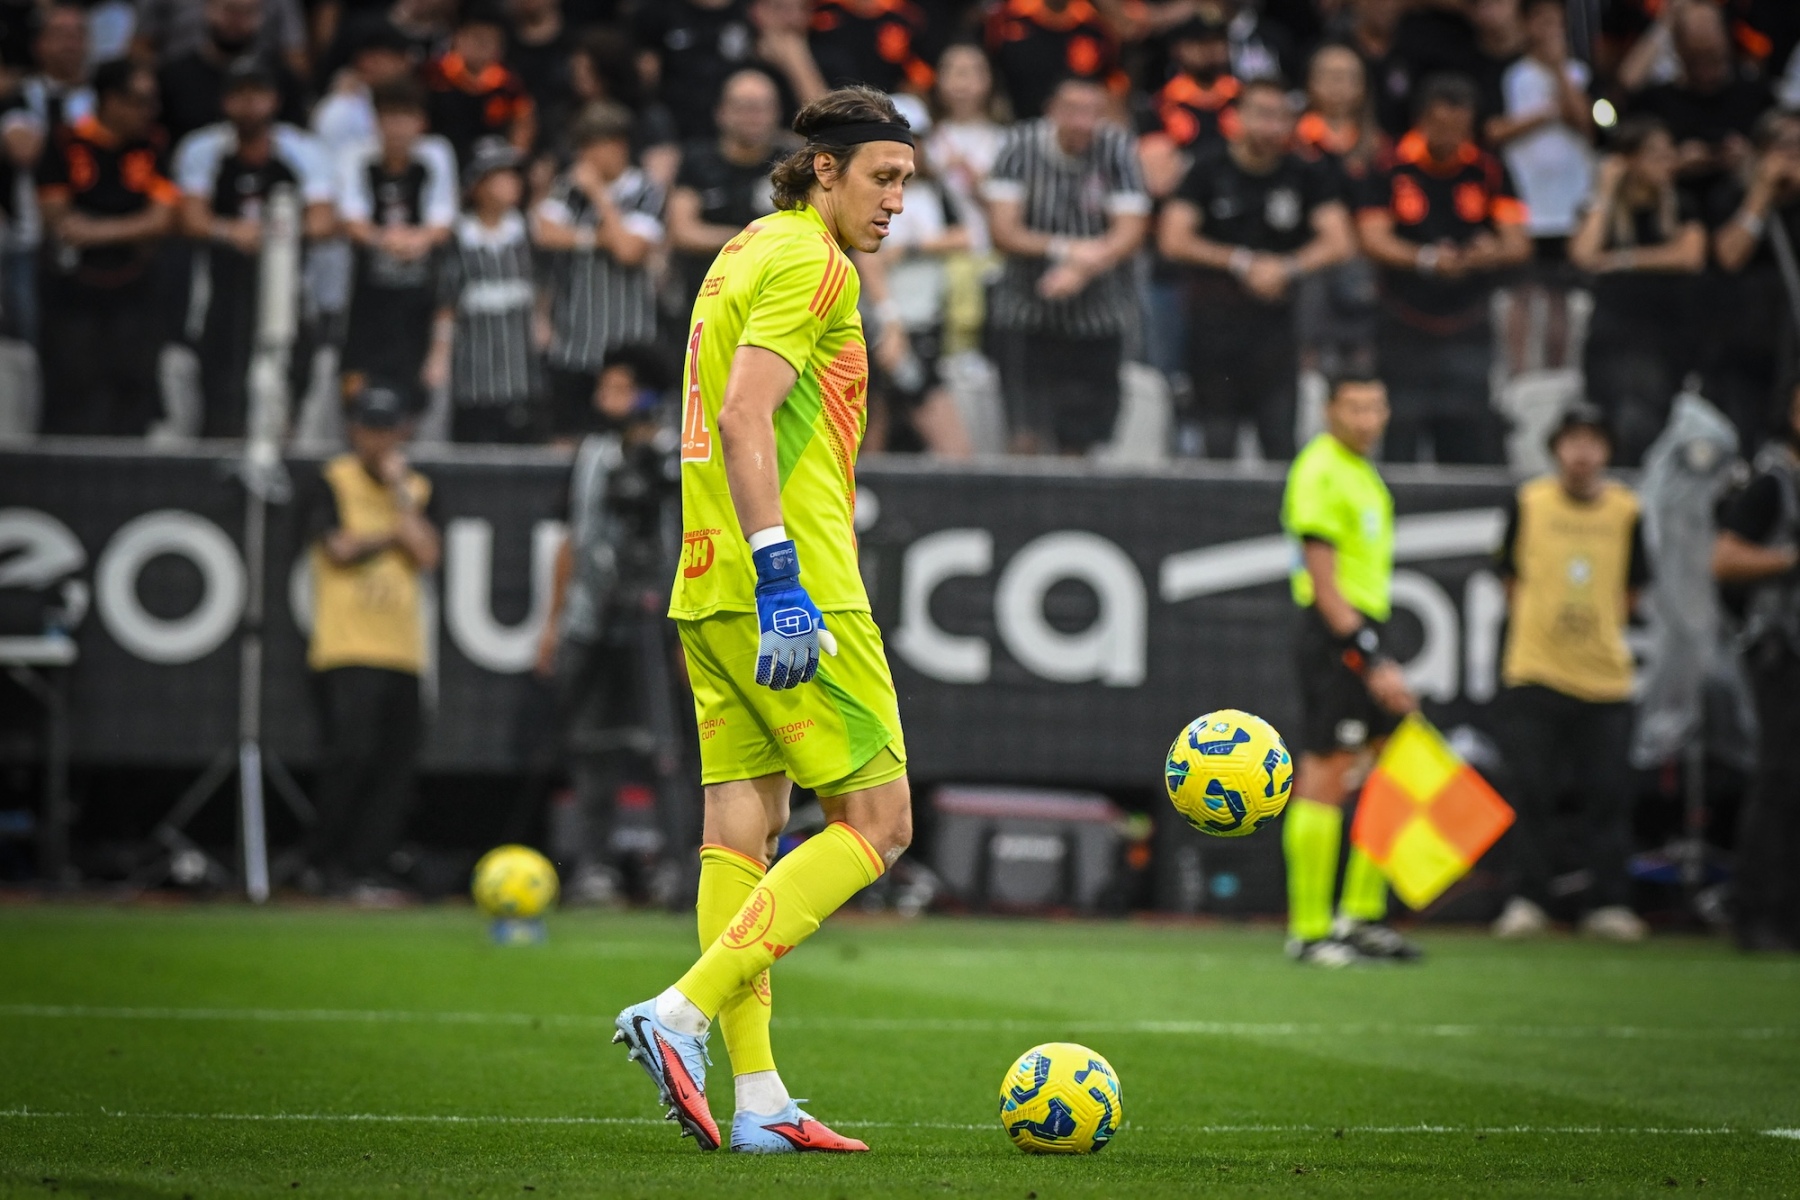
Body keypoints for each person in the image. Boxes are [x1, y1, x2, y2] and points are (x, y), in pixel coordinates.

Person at [611, 85, 915, 1155]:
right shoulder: (814, 263)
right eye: (882, 177)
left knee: (741, 829)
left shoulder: (741, 249)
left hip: (707, 578)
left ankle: (760, 1100)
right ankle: (681, 1012)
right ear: (825, 169)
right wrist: (784, 574)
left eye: (907, 183)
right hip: (792, 583)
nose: (896, 202)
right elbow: (745, 415)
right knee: (880, 824)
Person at [1490, 403, 1652, 942]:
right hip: (1535, 670)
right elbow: (1508, 577)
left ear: (1607, 451)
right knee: (1532, 792)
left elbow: (1633, 589)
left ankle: (1608, 903)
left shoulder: (1626, 510)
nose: (1582, 454)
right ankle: (1528, 900)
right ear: (1556, 449)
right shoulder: (1529, 503)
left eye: (1593, 442)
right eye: (1573, 441)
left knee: (1608, 796)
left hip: (1606, 678)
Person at [1280, 374, 1420, 967]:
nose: (1367, 419)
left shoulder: (1364, 473)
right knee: (1327, 771)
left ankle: (1360, 915)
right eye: (1354, 407)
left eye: (1375, 406)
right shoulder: (1320, 470)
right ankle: (1309, 931)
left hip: (1364, 627)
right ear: (1329, 410)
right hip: (1335, 633)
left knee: (1391, 763)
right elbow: (1324, 584)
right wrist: (1369, 656)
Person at [535, 346, 681, 906]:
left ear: (646, 395)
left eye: (617, 388)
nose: (603, 399)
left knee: (670, 747)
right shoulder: (592, 455)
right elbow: (572, 539)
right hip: (592, 616)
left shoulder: (679, 458)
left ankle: (679, 866)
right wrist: (554, 624)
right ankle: (591, 864)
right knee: (588, 743)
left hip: (661, 620)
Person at [1157, 76, 1355, 461]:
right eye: (1263, 115)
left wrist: (1286, 267)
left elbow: (1340, 240)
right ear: (1238, 117)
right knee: (1216, 443)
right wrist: (1241, 262)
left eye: (1282, 117)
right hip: (1214, 327)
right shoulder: (1208, 167)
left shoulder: (1304, 172)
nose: (1272, 127)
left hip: (1277, 328)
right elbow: (1173, 239)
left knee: (1279, 440)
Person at [302, 380, 441, 900]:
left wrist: (401, 495)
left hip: (402, 650)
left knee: (395, 768)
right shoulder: (331, 482)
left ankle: (370, 866)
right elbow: (338, 549)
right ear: (353, 431)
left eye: (387, 430)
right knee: (350, 758)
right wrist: (391, 535)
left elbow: (427, 554)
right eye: (369, 429)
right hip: (346, 646)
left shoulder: (417, 489)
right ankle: (327, 862)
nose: (378, 441)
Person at [1355, 73, 1530, 464]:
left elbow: (1518, 243)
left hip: (1468, 322)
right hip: (1403, 321)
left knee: (1467, 431)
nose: (1451, 136)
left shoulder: (1487, 169)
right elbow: (1372, 238)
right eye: (1441, 125)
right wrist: (1426, 259)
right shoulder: (1389, 166)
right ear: (1422, 120)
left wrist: (1489, 253)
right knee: (1401, 429)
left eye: (1460, 127)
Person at [985, 76, 1149, 455]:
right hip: (1026, 310)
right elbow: (1003, 230)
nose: (1083, 122)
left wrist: (1083, 268)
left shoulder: (1117, 148)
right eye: (1073, 111)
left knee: (1081, 440)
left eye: (1093, 112)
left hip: (1097, 317)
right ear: (1052, 112)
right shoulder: (1018, 146)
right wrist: (1065, 250)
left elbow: (1131, 230)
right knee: (1024, 434)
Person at [174, 60, 336, 438]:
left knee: (286, 378)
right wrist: (231, 231)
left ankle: (282, 449)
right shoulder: (204, 149)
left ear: (274, 100)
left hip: (288, 286)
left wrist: (275, 234)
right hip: (222, 286)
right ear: (225, 101)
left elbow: (324, 221)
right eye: (240, 95)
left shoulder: (301, 150)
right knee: (221, 383)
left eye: (258, 94)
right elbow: (191, 219)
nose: (249, 104)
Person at [35, 58, 178, 437]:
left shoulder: (153, 145)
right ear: (111, 100)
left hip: (134, 289)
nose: (149, 111)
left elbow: (163, 219)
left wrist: (98, 230)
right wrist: (132, 228)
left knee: (133, 383)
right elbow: (59, 220)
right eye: (140, 101)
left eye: (152, 101)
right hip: (73, 292)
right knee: (74, 385)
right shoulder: (66, 142)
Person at [1713, 382, 1800, 953]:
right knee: (1781, 779)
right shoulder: (1774, 482)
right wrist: (1791, 558)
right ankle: (1756, 911)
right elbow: (1724, 558)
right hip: (1781, 653)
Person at [1568, 117, 1705, 467]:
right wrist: (1604, 191)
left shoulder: (1681, 205)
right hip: (1612, 335)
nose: (1667, 162)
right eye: (1656, 154)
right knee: (1615, 419)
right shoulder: (1602, 209)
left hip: (1663, 335)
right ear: (1628, 160)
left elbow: (1690, 255)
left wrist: (1622, 259)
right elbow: (1584, 254)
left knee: (1650, 420)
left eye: (1670, 153)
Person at [532, 101, 664, 439]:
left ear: (618, 145)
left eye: (591, 147)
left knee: (628, 437)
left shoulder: (646, 190)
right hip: (574, 341)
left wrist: (598, 195)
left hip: (627, 342)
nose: (584, 157)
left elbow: (629, 251)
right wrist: (597, 238)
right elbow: (544, 233)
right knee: (567, 437)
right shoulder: (568, 187)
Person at [337, 77, 457, 403]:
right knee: (358, 390)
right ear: (376, 122)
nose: (398, 128)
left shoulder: (435, 154)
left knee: (412, 393)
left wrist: (418, 240)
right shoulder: (357, 156)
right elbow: (351, 219)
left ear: (421, 122)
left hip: (419, 296)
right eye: (390, 117)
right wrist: (384, 239)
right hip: (366, 297)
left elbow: (443, 221)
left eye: (406, 117)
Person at [1491, 0, 1593, 374]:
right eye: (1542, 20)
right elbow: (1494, 130)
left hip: (1570, 203)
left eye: (1557, 22)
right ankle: (1519, 374)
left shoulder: (1579, 74)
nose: (1550, 30)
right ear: (1526, 23)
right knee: (1521, 291)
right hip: (1524, 199)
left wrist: (1560, 72)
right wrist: (1547, 113)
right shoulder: (1510, 74)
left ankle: (1558, 373)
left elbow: (1588, 125)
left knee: (1559, 296)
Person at [425, 138, 543, 443]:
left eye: (512, 175)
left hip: (521, 369)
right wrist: (439, 355)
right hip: (473, 371)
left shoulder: (529, 231)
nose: (510, 183)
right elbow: (447, 301)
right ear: (477, 186)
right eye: (499, 176)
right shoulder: (459, 236)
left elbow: (543, 286)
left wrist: (543, 324)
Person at [1709, 109, 1800, 455]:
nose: (1793, 155)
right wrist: (1761, 191)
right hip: (1745, 346)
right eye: (1784, 144)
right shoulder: (1732, 197)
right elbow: (1730, 255)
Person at [666, 69, 786, 312]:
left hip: (775, 296)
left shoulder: (792, 164)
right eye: (744, 106)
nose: (753, 116)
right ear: (721, 112)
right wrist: (747, 239)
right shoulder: (697, 161)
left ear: (777, 112)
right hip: (708, 296)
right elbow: (682, 230)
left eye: (762, 107)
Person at [155, 0, 308, 146]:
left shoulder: (281, 79)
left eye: (247, 11)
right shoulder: (173, 77)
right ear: (207, 8)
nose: (236, 20)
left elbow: (298, 139)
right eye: (229, 10)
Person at [423, 4, 535, 164]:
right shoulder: (434, 73)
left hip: (488, 159)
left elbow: (524, 123)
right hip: (439, 154)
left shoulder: (508, 84)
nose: (482, 47)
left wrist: (515, 160)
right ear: (458, 38)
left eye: (490, 41)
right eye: (477, 38)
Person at [984, 0, 1123, 120]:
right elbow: (988, 69)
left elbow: (1111, 85)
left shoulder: (1095, 28)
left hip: (1078, 128)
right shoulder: (1008, 19)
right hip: (1012, 122)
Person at [808, 0, 933, 96]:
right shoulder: (823, 15)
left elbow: (921, 75)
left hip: (888, 100)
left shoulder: (903, 18)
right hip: (832, 97)